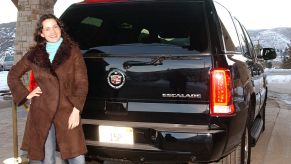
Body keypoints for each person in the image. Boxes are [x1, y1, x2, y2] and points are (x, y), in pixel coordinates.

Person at [7, 14, 88, 164]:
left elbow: (82, 82)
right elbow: (13, 74)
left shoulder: (72, 51)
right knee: (46, 158)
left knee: (77, 157)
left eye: (55, 27)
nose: (52, 31)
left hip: (67, 110)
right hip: (42, 110)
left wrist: (76, 110)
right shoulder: (35, 54)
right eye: (47, 28)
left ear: (60, 29)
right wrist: (27, 94)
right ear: (41, 33)